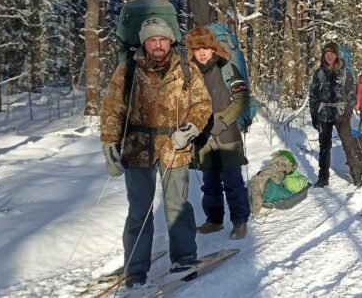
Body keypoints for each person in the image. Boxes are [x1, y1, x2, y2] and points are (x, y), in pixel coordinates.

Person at [100, 17, 211, 288]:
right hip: (137, 148)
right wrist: (109, 144)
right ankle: (136, 268)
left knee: (177, 206)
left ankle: (184, 258)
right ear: (144, 42)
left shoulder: (186, 69)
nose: (158, 44)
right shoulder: (127, 70)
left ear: (170, 40)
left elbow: (202, 104)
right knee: (139, 209)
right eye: (152, 40)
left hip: (175, 147)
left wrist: (191, 128)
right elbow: (112, 109)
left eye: (162, 39)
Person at [185, 27, 251, 240]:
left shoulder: (227, 68)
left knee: (232, 180)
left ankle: (239, 222)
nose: (202, 53)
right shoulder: (189, 73)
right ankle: (214, 220)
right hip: (202, 136)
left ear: (213, 48)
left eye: (205, 47)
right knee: (209, 182)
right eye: (197, 49)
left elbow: (242, 99)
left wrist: (222, 121)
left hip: (227, 132)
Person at [309, 41, 356, 187]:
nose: (329, 56)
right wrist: (314, 115)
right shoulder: (319, 73)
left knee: (348, 144)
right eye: (326, 54)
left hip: (341, 113)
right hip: (323, 113)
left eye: (332, 53)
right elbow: (313, 95)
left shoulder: (345, 72)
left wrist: (347, 114)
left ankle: (356, 174)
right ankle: (323, 177)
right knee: (324, 146)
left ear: (337, 55)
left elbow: (351, 95)